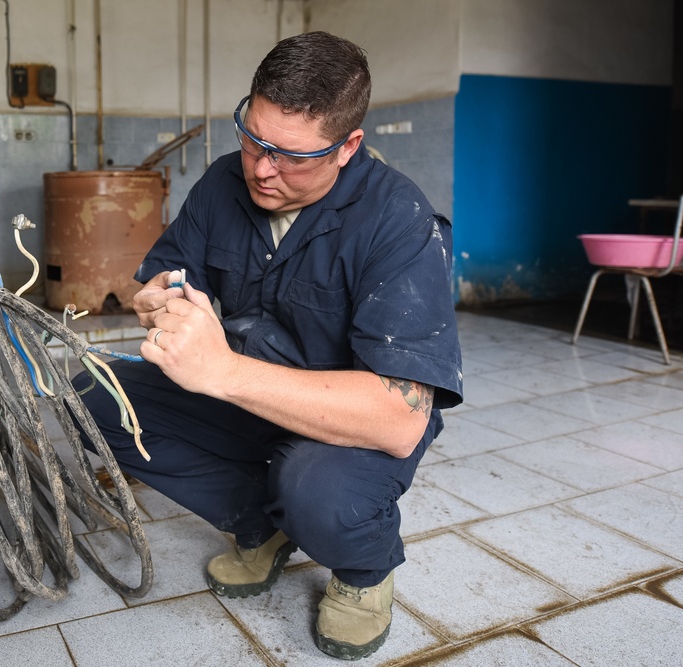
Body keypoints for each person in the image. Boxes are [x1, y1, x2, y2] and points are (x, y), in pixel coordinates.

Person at [74, 30, 463, 660]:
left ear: (348, 147)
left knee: (316, 487)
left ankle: (364, 574)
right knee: (97, 394)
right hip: (248, 394)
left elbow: (397, 422)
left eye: (290, 156)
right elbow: (159, 277)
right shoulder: (226, 182)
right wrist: (156, 301)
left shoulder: (400, 223)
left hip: (342, 428)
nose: (261, 167)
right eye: (252, 137)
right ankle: (264, 526)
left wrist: (222, 371)